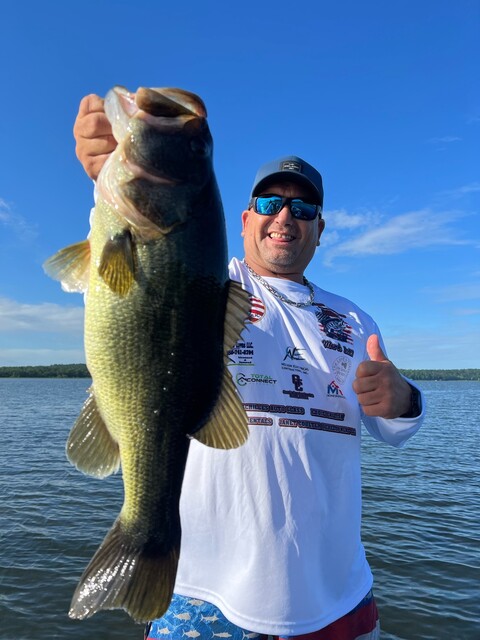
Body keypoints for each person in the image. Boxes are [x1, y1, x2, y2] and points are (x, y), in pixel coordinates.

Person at [73, 94, 424, 640]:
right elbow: (148, 272)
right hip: (202, 591)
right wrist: (109, 177)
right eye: (270, 204)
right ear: (243, 220)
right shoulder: (215, 284)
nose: (285, 217)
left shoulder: (355, 320)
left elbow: (395, 428)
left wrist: (403, 399)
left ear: (319, 229)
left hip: (335, 595)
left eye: (303, 208)